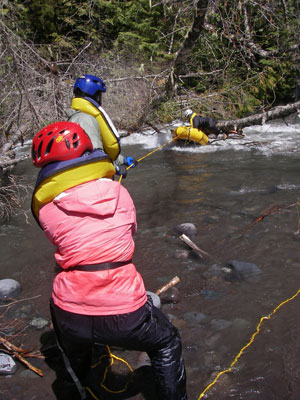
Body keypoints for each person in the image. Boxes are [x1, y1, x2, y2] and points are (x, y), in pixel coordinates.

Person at [31, 121, 188, 400]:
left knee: (72, 342)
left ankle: (82, 385)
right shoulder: (122, 193)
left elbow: (67, 242)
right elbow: (129, 237)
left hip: (70, 314)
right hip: (125, 313)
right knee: (167, 343)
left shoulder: (45, 210)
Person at [66, 74, 137, 176]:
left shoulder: (78, 117)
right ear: (95, 95)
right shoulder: (85, 120)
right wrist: (115, 168)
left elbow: (98, 150)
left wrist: (123, 160)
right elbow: (94, 157)